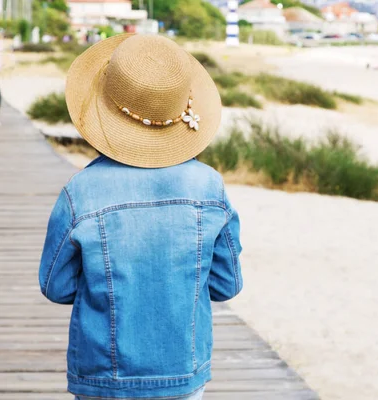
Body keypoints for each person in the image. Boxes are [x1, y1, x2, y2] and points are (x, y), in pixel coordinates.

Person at [38, 34, 243, 400]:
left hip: (103, 374)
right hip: (183, 371)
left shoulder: (80, 192)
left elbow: (57, 286)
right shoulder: (209, 188)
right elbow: (226, 285)